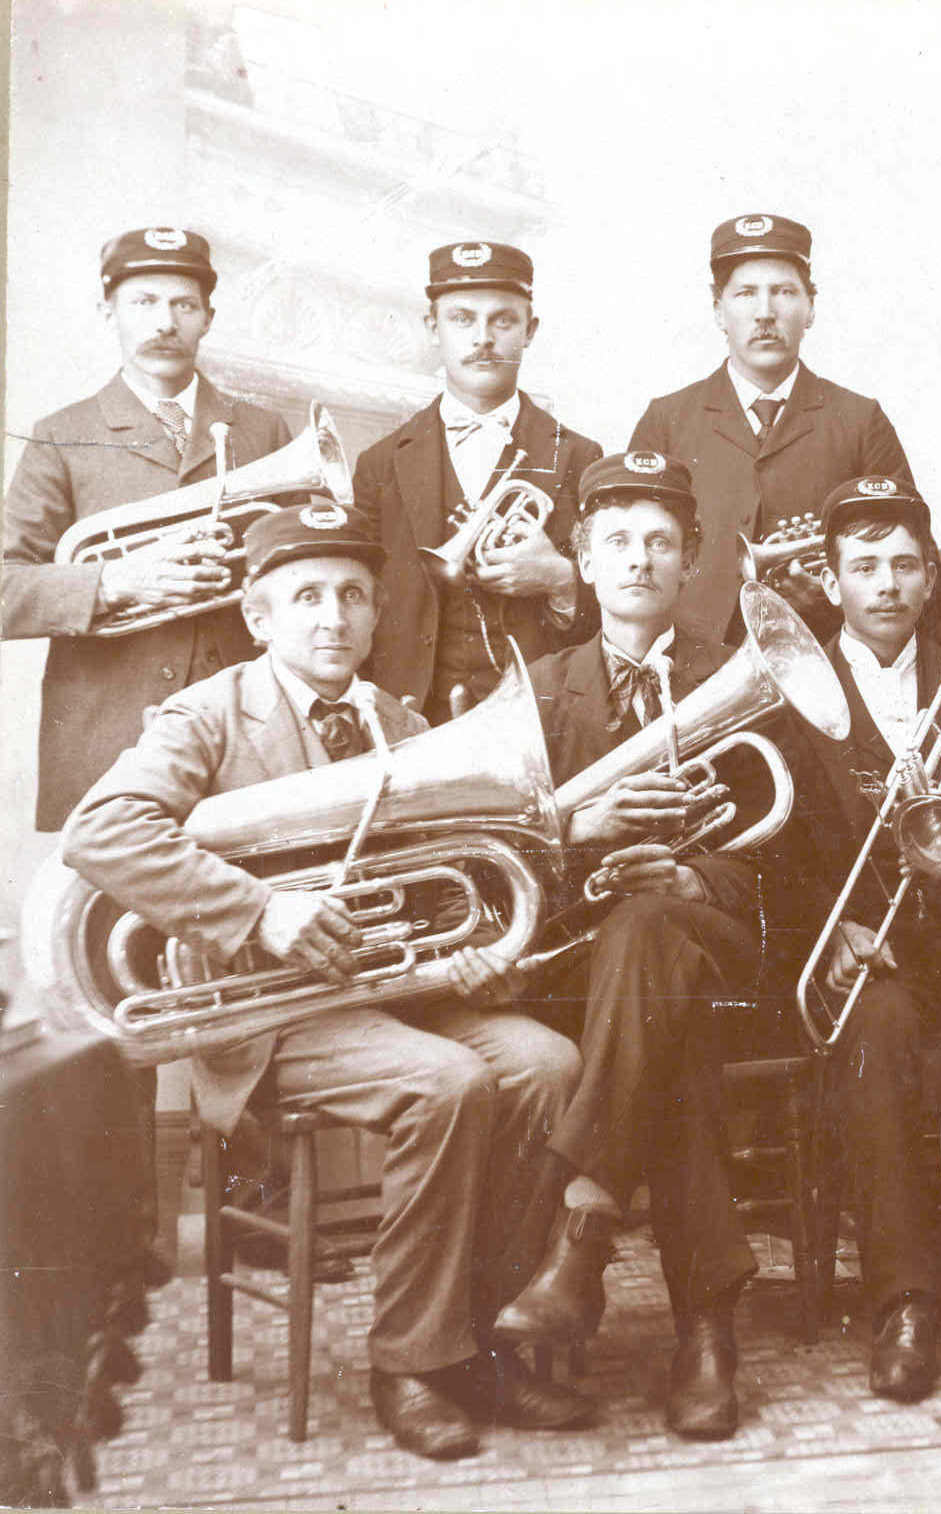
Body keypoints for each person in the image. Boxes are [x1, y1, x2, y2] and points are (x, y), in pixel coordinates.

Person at [61, 505, 590, 1460]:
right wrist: (258, 910)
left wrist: (466, 954)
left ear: (378, 614)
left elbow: (447, 883)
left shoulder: (397, 719)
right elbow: (105, 831)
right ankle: (411, 1363)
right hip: (272, 1020)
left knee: (547, 1063)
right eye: (305, 597)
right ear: (259, 619)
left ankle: (473, 1338)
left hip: (394, 1000)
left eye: (352, 596)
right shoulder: (206, 714)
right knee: (450, 1084)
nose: (332, 617)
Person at [492, 452, 764, 1439]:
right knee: (665, 1011)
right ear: (584, 556)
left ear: (691, 558)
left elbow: (795, 856)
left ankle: (585, 1234)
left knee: (656, 930)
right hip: (579, 956)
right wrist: (583, 829)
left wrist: (696, 878)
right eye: (618, 541)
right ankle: (708, 1330)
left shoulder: (734, 676)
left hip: (715, 933)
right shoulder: (536, 687)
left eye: (661, 541)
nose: (640, 558)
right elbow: (499, 856)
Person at [767, 476, 941, 1402]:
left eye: (902, 565)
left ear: (931, 576)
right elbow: (767, 840)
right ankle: (907, 1301)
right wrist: (831, 922)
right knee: (881, 1029)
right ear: (832, 579)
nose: (885, 583)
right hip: (859, 951)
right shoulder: (790, 687)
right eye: (863, 566)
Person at [3, 227, 294, 832]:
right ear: (107, 313)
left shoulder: (264, 432)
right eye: (144, 302)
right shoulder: (59, 434)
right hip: (109, 735)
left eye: (184, 305)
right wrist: (114, 583)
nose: (166, 322)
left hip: (247, 728)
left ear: (208, 318)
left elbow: (301, 571)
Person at [627, 214, 913, 646]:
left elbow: (913, 557)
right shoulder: (666, 419)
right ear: (718, 309)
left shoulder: (860, 420)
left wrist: (836, 596)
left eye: (783, 292)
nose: (765, 313)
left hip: (824, 653)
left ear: (811, 308)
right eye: (745, 294)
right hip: (694, 660)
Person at [353, 241, 603, 725]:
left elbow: (614, 606)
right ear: (433, 328)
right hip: (409, 714)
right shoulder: (379, 463)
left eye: (503, 321)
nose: (483, 338)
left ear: (529, 331)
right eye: (462, 319)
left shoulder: (579, 455)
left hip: (538, 712)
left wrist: (559, 578)